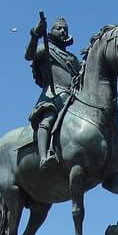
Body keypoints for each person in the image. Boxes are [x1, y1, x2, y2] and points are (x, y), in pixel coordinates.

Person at [24, 14, 81, 170]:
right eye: (59, 28)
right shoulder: (45, 49)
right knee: (48, 119)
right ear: (51, 31)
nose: (62, 31)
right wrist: (35, 34)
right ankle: (44, 157)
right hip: (53, 94)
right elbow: (29, 55)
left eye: (65, 29)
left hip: (72, 97)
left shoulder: (72, 58)